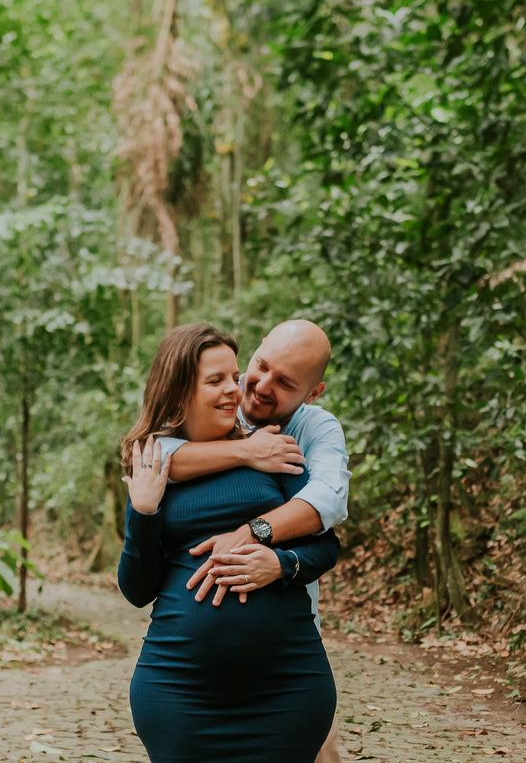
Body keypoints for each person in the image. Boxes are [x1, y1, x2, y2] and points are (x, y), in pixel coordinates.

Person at [118, 324, 340, 763]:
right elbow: (137, 589)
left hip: (287, 685)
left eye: (232, 377)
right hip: (179, 689)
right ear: (181, 388)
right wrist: (142, 513)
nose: (235, 390)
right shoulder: (156, 464)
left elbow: (326, 545)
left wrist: (279, 563)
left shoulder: (276, 449)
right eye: (216, 380)